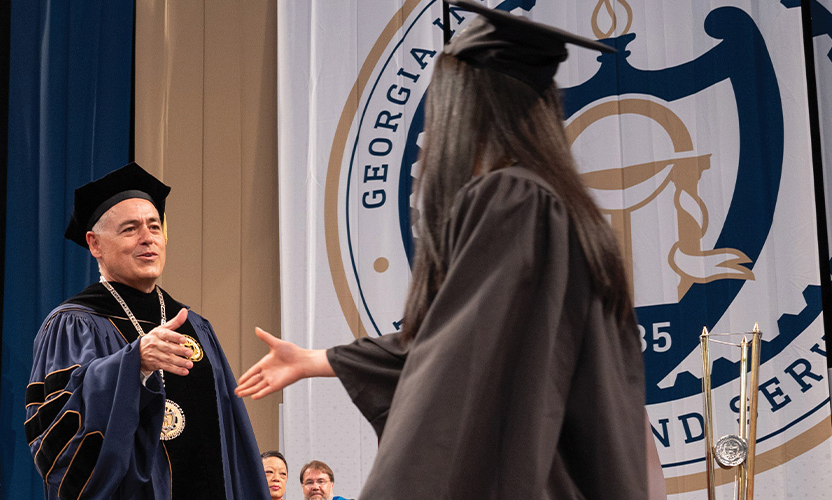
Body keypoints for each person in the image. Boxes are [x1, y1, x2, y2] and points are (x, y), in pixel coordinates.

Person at [236, 2, 647, 499]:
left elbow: (458, 361)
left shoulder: (510, 198)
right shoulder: (565, 207)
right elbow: (454, 337)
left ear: (466, 106)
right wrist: (316, 359)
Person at [26, 162, 268, 500]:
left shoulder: (196, 326)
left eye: (154, 227)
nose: (148, 238)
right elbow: (54, 438)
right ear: (95, 244)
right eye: (130, 229)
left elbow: (232, 440)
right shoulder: (74, 324)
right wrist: (132, 364)